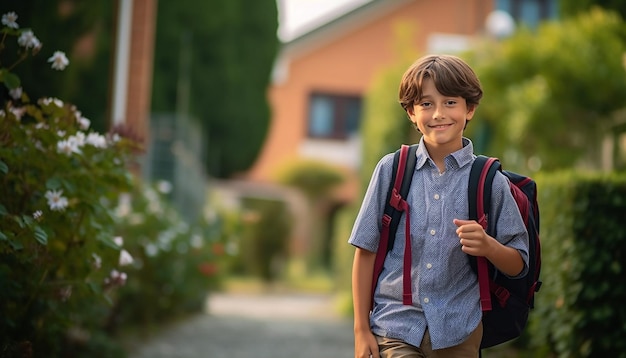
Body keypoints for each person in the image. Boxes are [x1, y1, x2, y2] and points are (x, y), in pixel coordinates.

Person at [349, 54, 529, 358]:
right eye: (426, 104)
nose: (438, 114)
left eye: (450, 102)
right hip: (394, 326)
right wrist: (360, 330)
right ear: (411, 112)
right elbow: (365, 251)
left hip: (461, 331)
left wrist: (488, 246)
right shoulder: (392, 169)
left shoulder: (489, 182)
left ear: (469, 109)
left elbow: (519, 264)